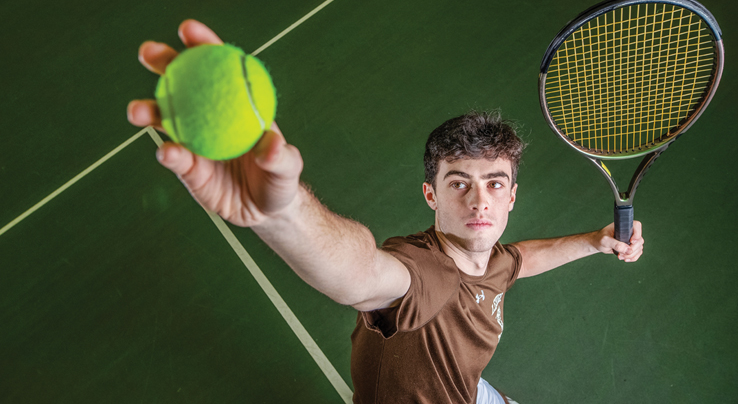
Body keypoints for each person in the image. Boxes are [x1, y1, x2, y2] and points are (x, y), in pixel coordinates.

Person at [127, 20, 644, 404]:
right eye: (458, 183)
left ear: (512, 196)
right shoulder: (421, 274)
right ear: (431, 196)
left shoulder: (489, 259)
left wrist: (596, 240)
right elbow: (360, 274)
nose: (479, 199)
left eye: (494, 183)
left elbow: (519, 260)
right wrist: (281, 211)